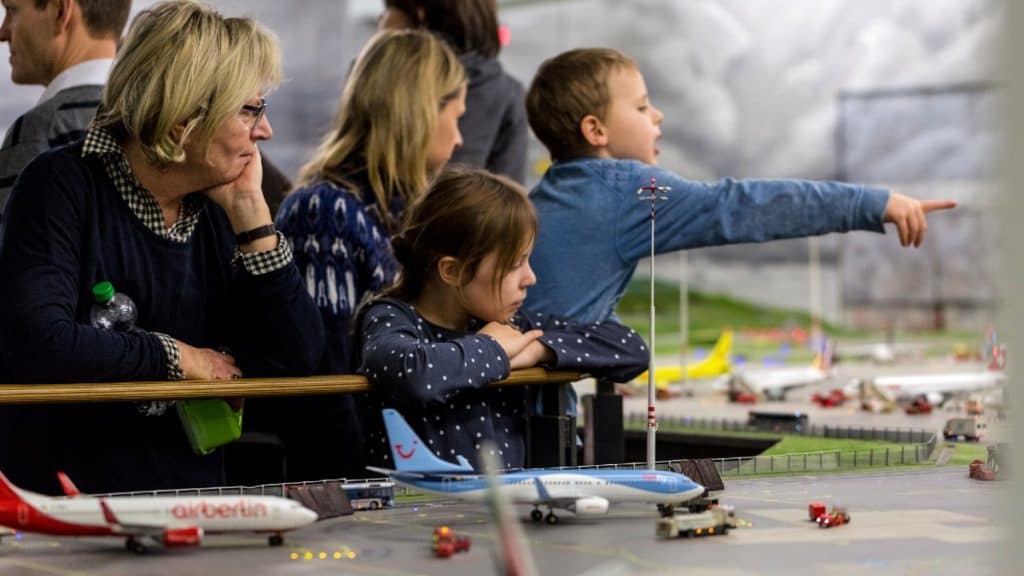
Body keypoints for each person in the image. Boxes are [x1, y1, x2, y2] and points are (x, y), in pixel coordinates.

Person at [0, 0, 324, 494]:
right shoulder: (61, 185)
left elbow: (297, 357)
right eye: (250, 109)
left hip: (190, 502)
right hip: (70, 516)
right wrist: (178, 358)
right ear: (183, 121)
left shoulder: (218, 209)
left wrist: (253, 219)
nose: (266, 130)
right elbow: (40, 341)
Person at [523, 48, 957, 413]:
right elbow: (747, 206)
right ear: (595, 130)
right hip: (532, 412)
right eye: (640, 107)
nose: (658, 114)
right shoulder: (628, 192)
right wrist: (872, 204)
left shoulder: (547, 195)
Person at [266, 29, 465, 481]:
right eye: (456, 117)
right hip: (356, 475)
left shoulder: (407, 212)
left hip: (404, 462)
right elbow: (328, 378)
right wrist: (359, 491)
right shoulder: (326, 211)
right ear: (420, 113)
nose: (459, 139)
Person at [357, 168, 649, 469]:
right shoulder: (389, 317)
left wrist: (537, 350)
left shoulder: (514, 329)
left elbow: (632, 349)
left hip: (504, 512)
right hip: (417, 513)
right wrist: (494, 349)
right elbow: (415, 373)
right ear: (452, 271)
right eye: (514, 265)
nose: (530, 278)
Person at [0, 0, 131, 217]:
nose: (3, 32)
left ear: (61, 11)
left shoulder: (38, 133)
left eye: (12, 11)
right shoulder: (165, 125)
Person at [378, 0, 528, 184]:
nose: (381, 19)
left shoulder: (381, 81)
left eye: (388, 9)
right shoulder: (508, 94)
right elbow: (510, 198)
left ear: (420, 15)